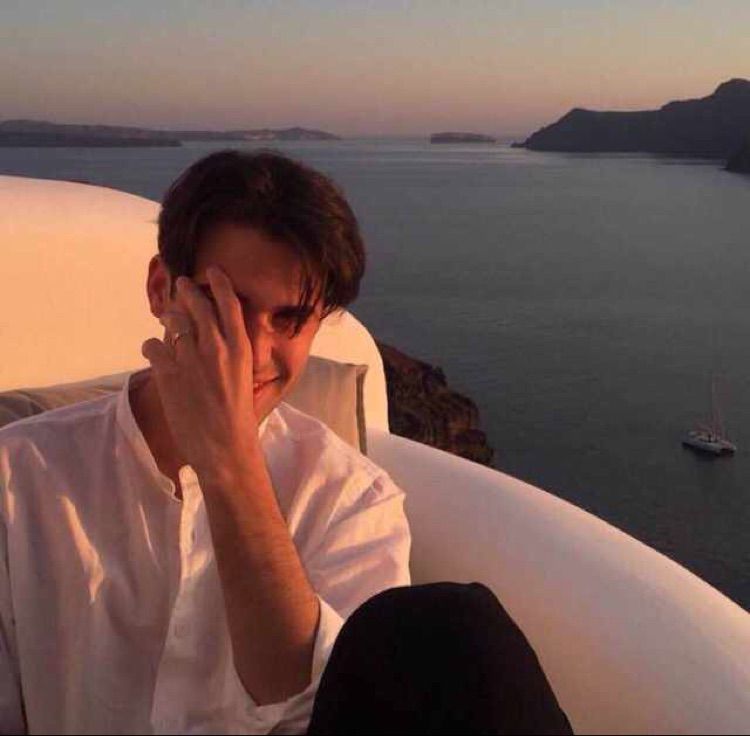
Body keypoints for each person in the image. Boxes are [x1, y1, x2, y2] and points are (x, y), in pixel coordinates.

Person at [0, 150, 571, 734]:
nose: (252, 350)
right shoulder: (17, 477)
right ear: (160, 289)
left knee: (465, 631)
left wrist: (227, 464)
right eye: (224, 305)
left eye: (290, 319)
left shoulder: (352, 500)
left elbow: (324, 713)